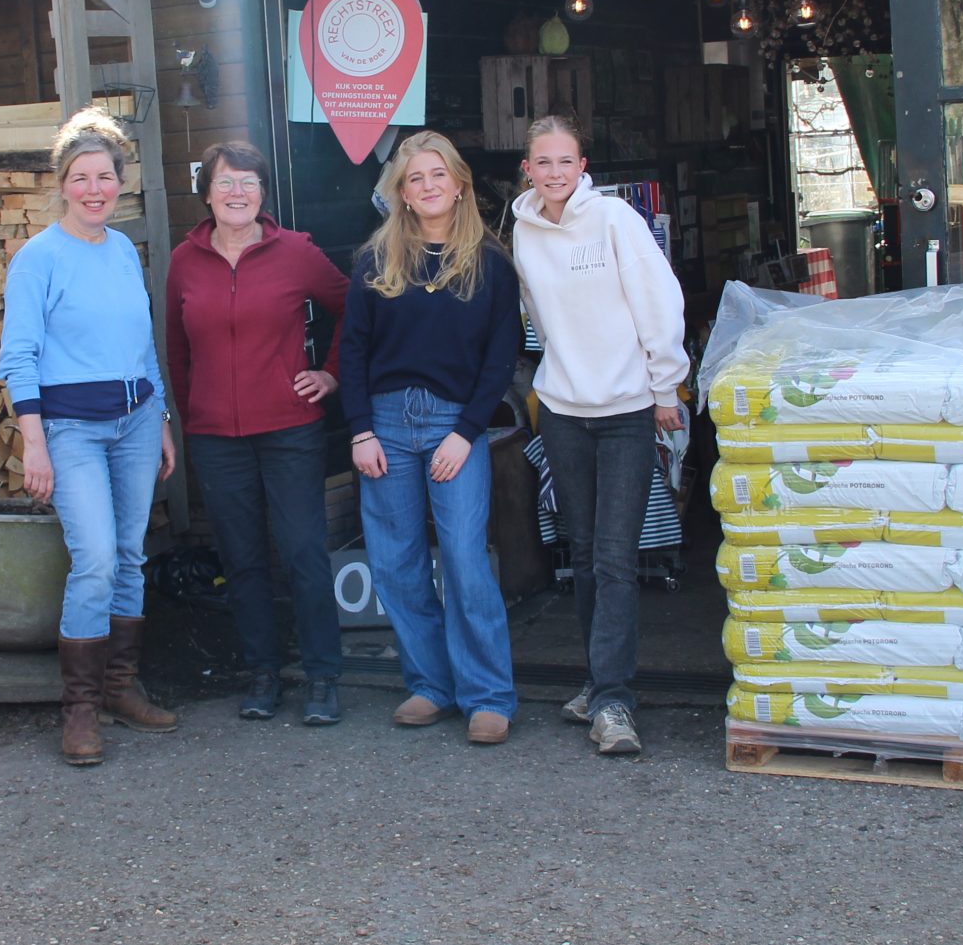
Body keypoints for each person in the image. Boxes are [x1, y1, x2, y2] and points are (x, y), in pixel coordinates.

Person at [0, 108, 179, 766]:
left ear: (121, 183)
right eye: (81, 177)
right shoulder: (38, 260)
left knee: (129, 555)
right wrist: (34, 443)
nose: (94, 189)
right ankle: (79, 709)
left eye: (105, 177)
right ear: (62, 184)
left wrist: (160, 417)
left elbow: (142, 343)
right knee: (96, 558)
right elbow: (18, 358)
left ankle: (120, 687)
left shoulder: (124, 251)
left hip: (136, 422)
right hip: (71, 429)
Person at [508, 117, 688, 757]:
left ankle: (613, 702)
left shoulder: (616, 220)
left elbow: (658, 303)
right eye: (543, 162)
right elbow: (535, 316)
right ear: (528, 169)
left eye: (566, 161)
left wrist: (665, 389)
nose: (555, 173)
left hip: (626, 410)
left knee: (614, 557)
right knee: (582, 554)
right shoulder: (523, 231)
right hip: (562, 410)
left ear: (583, 166)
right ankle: (598, 681)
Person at [338, 130, 521, 744]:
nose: (428, 185)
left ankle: (487, 695)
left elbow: (501, 357)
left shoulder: (490, 263)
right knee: (396, 562)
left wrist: (467, 432)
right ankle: (430, 685)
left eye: (438, 174)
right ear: (403, 193)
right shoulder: (376, 259)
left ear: (460, 184)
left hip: (455, 424)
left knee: (466, 559)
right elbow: (352, 350)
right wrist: (360, 431)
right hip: (385, 425)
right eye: (415, 178)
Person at [166, 142, 353, 726]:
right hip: (216, 439)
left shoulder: (295, 252)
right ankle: (262, 672)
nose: (237, 192)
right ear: (207, 193)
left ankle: (322, 676)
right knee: (242, 558)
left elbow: (354, 307)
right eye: (225, 182)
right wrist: (191, 417)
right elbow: (176, 349)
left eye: (248, 182)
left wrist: (331, 373)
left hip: (290, 430)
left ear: (263, 193)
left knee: (302, 552)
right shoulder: (184, 261)